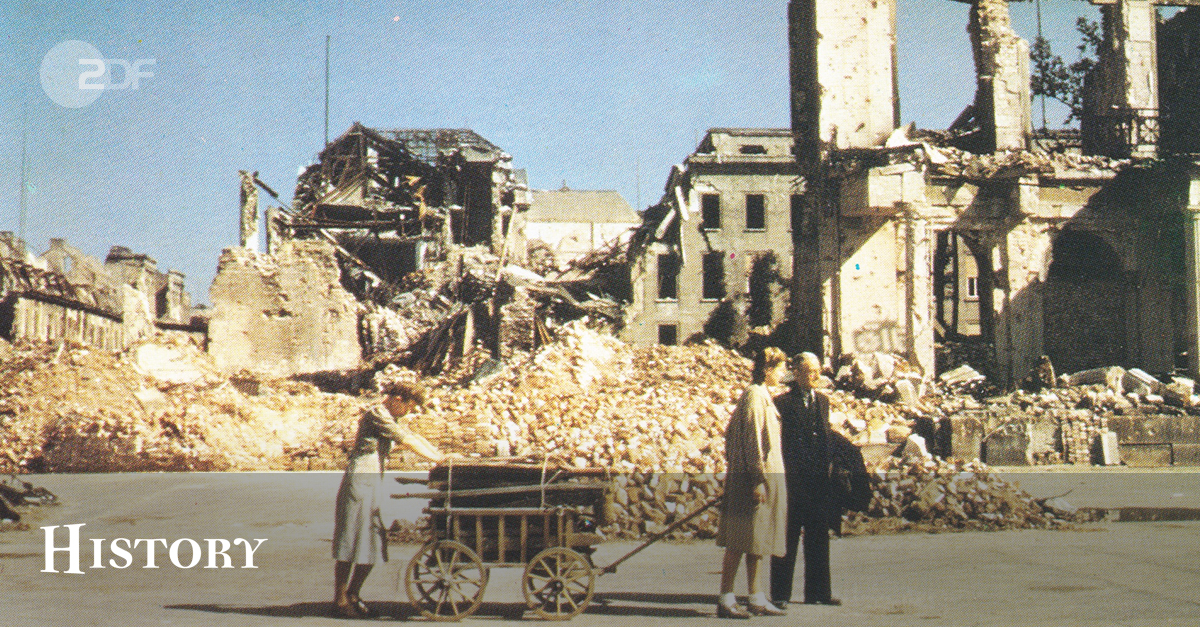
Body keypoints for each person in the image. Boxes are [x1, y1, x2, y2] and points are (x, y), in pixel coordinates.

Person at [332, 380, 444, 619]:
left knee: (372, 540)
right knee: (351, 539)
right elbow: (408, 441)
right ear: (397, 399)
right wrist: (439, 462)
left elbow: (414, 436)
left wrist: (441, 455)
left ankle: (353, 592)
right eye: (410, 407)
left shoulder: (391, 417)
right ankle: (340, 599)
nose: (409, 412)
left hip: (373, 478)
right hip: (361, 478)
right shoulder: (377, 414)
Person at [715, 346, 789, 618]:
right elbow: (751, 442)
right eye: (780, 369)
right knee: (739, 540)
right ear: (767, 370)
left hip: (763, 479)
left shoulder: (762, 396)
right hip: (754, 481)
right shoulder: (755, 396)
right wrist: (757, 479)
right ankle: (726, 597)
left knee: (758, 541)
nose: (783, 374)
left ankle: (756, 596)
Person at [770, 352, 841, 608]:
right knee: (786, 537)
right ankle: (780, 594)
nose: (815, 376)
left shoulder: (822, 401)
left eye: (817, 371)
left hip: (818, 482)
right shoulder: (782, 403)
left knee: (818, 537)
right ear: (796, 373)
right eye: (810, 371)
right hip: (792, 481)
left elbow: (825, 437)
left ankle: (819, 592)